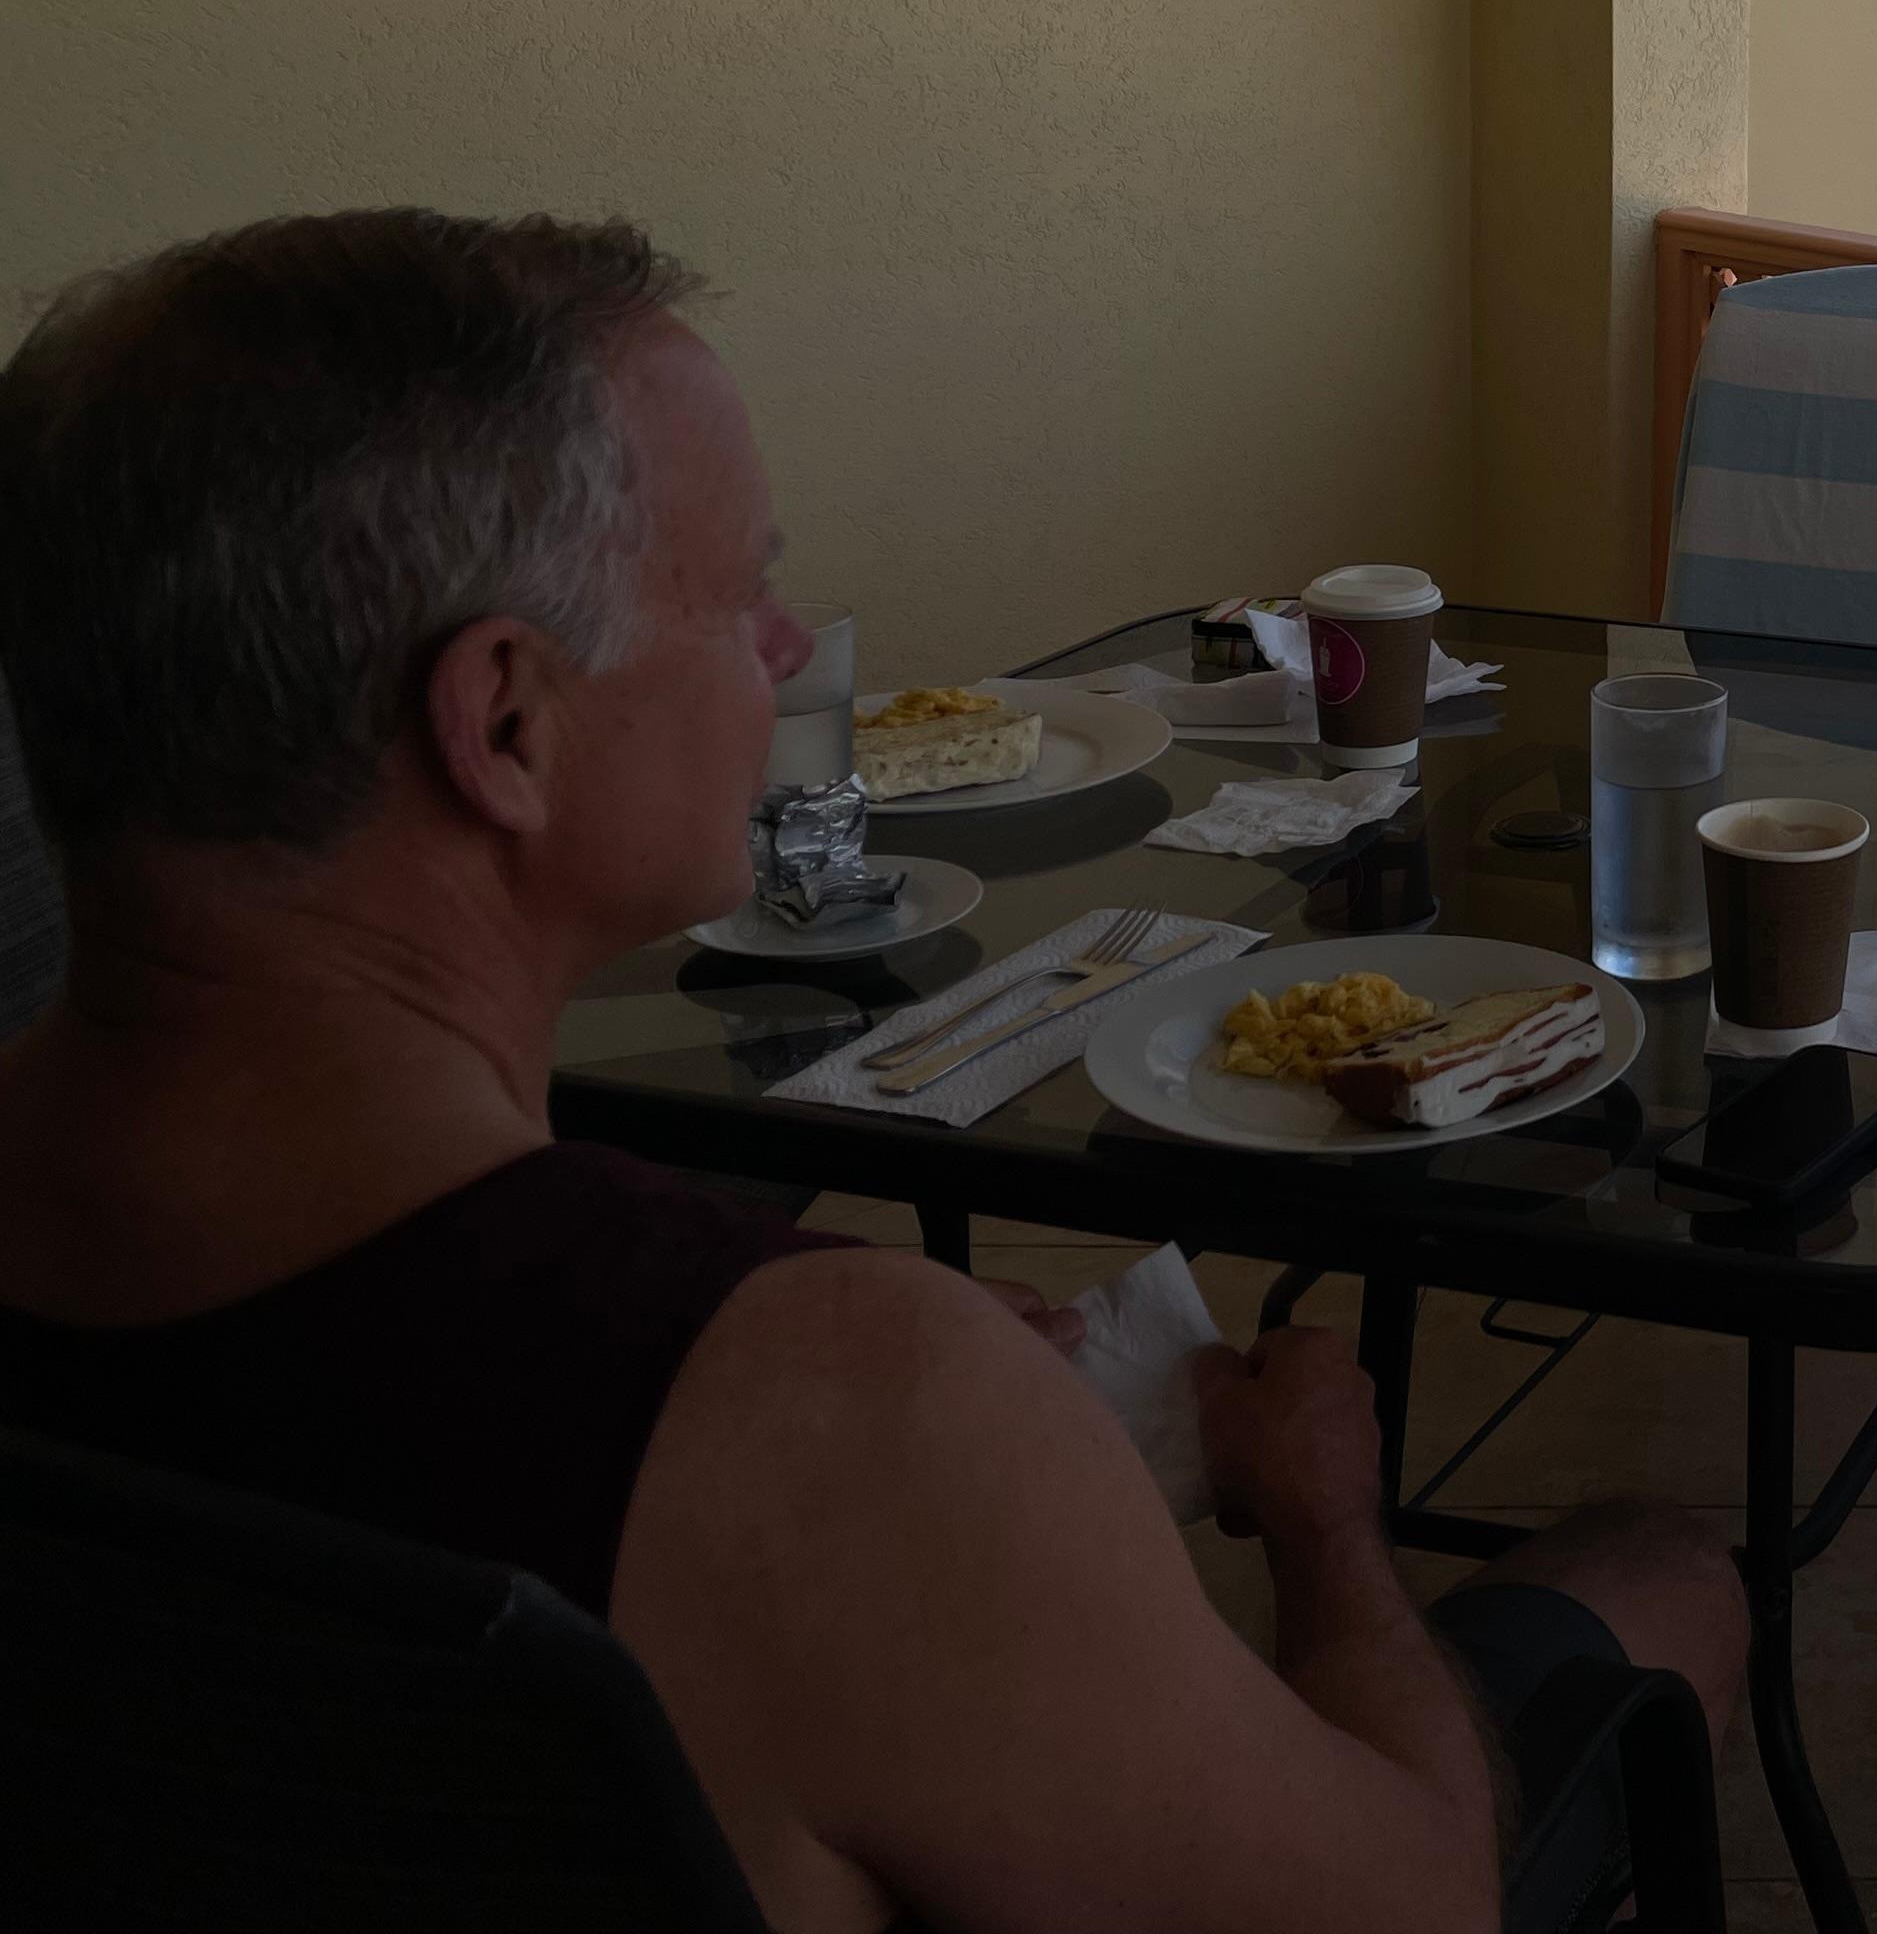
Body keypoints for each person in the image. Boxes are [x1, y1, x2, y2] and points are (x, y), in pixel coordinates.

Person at [0, 211, 1743, 1934]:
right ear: (507, 725)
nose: (787, 649)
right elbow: (1415, 1909)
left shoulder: (802, 1397)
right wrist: (1323, 1524)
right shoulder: (833, 1422)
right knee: (1663, 1574)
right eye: (743, 593)